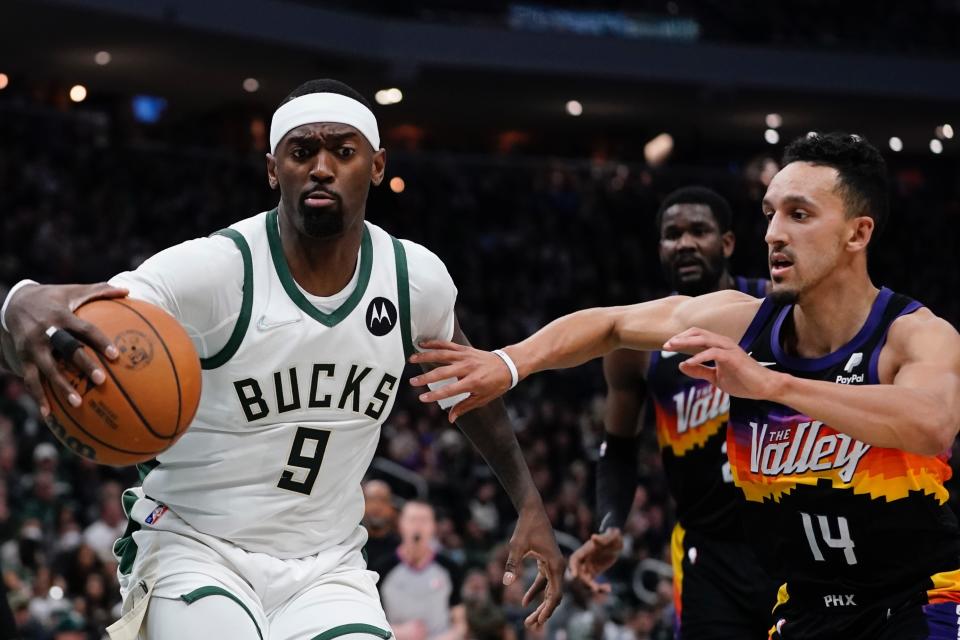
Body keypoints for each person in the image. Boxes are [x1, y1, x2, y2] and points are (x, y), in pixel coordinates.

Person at [0, 79, 564, 640]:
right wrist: (17, 305)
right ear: (273, 170)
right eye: (302, 151)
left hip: (328, 563)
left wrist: (528, 500)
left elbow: (471, 388)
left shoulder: (415, 281)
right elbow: (59, 328)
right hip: (195, 544)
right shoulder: (215, 271)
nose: (322, 167)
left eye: (343, 151)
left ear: (375, 165)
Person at [410, 132, 960, 640]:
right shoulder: (745, 321)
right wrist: (508, 363)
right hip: (802, 605)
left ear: (857, 233)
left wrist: (774, 386)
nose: (773, 233)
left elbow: (931, 420)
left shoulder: (914, 334)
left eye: (799, 215)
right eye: (769, 214)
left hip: (920, 598)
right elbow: (610, 324)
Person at [570, 186, 775, 638]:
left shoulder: (775, 310)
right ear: (660, 248)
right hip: (708, 553)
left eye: (698, 231)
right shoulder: (637, 343)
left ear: (726, 243)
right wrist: (610, 523)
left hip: (787, 534)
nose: (684, 242)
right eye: (672, 234)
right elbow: (619, 447)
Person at [372, 500, 464, 640]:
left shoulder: (450, 568)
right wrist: (398, 632)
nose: (418, 526)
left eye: (424, 520)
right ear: (400, 524)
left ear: (434, 526)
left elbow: (460, 625)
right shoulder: (381, 569)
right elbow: (370, 620)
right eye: (413, 519)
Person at [362, 480, 400, 566]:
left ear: (392, 508)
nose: (377, 506)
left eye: (383, 500)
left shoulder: (399, 550)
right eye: (371, 500)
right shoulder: (351, 542)